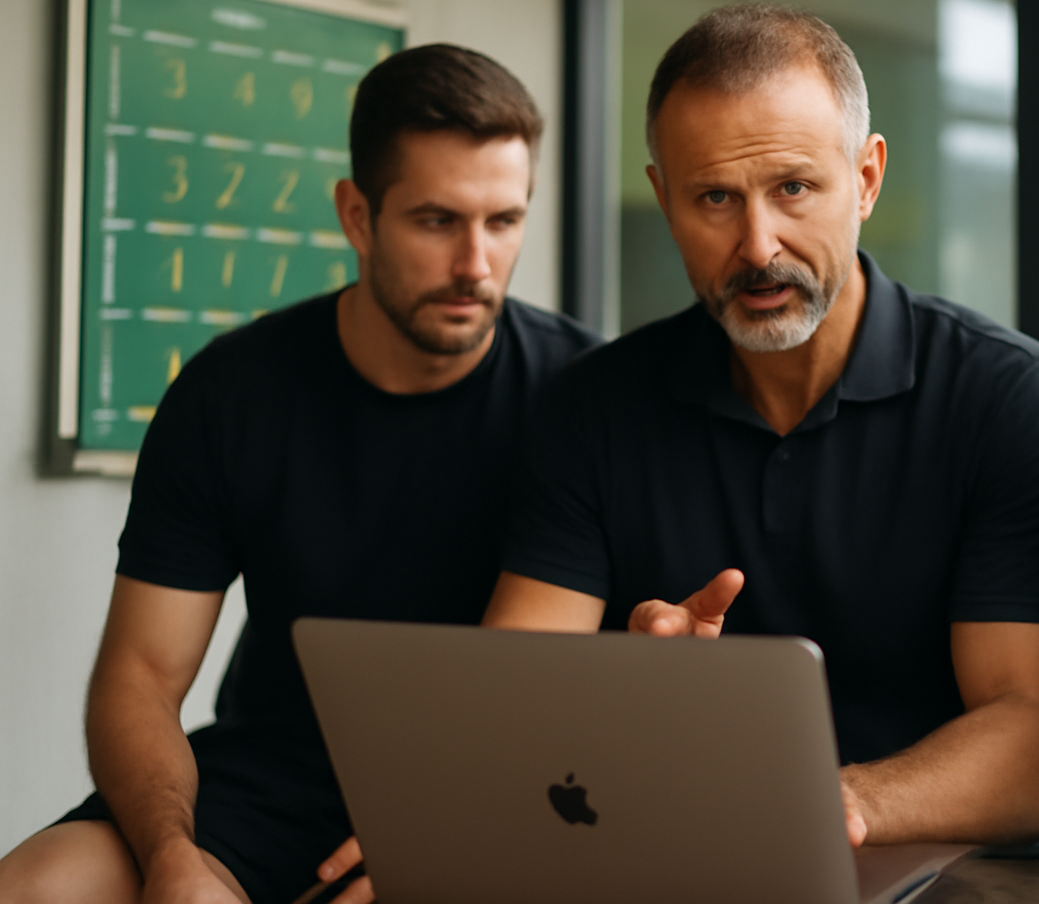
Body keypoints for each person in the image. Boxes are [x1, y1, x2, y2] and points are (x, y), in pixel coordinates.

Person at [485, 3, 1039, 848]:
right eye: (715, 197)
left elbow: (1032, 761)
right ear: (664, 199)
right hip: (683, 859)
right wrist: (623, 696)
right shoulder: (591, 408)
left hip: (947, 880)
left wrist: (818, 806)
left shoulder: (1009, 401)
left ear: (867, 179)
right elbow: (508, 710)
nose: (757, 246)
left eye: (794, 189)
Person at [0, 44, 600, 904]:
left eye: (503, 221)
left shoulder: (588, 396)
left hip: (503, 780)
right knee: (37, 886)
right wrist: (173, 858)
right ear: (357, 215)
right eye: (437, 221)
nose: (476, 263)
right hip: (275, 772)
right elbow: (140, 676)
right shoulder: (230, 392)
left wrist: (433, 840)